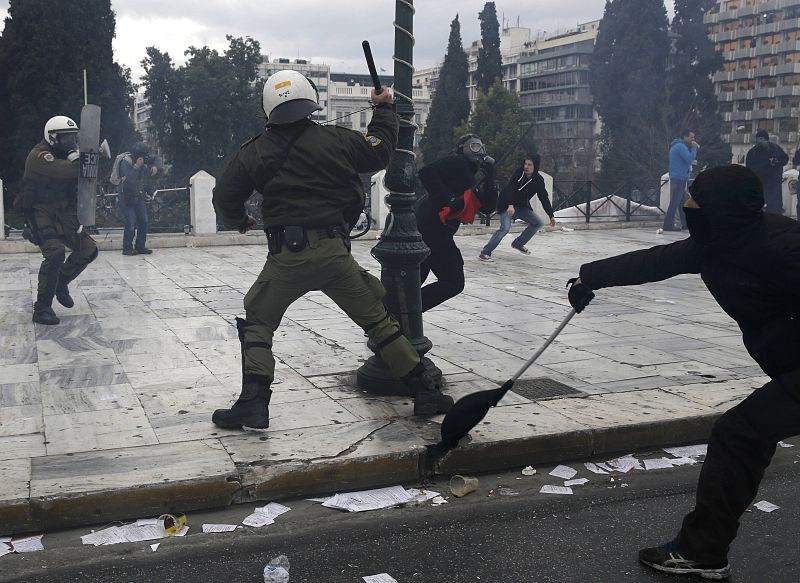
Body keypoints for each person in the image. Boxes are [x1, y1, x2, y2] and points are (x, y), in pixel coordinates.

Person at [566, 165, 800, 580]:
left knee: (740, 433)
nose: (688, 203)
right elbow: (655, 261)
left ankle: (702, 552)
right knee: (743, 434)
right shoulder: (713, 244)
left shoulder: (781, 245)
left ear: (719, 207)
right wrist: (589, 276)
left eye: (696, 197)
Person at [211, 70, 454, 430]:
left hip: (286, 259)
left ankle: (253, 403)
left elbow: (224, 198)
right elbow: (380, 151)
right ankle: (425, 391)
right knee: (377, 322)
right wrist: (383, 108)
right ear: (310, 99)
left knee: (258, 322)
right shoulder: (335, 139)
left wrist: (240, 220)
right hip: (333, 254)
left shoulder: (255, 152)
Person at [17, 116, 98, 325]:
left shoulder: (66, 155)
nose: (71, 142)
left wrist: (93, 158)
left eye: (74, 137)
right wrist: (76, 156)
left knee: (88, 249)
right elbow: (69, 170)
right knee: (55, 253)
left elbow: (89, 175)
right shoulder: (39, 156)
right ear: (53, 138)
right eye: (66, 138)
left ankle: (61, 282)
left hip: (63, 212)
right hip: (40, 211)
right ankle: (42, 308)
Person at [416, 134, 497, 311]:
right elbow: (426, 172)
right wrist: (447, 199)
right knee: (453, 281)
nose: (479, 150)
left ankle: (390, 316)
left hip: (431, 228)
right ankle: (405, 313)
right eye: (474, 146)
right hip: (432, 228)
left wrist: (491, 180)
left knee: (414, 278)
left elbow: (488, 207)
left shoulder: (471, 176)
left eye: (480, 146)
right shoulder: (457, 162)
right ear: (462, 148)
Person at [479, 154, 555, 261]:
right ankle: (485, 252)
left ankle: (518, 243)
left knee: (538, 222)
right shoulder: (519, 173)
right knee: (504, 228)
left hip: (520, 206)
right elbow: (511, 187)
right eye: (525, 164)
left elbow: (543, 197)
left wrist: (551, 215)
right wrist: (510, 205)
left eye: (529, 165)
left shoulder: (538, 180)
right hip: (506, 203)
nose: (526, 167)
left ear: (535, 166)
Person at [118, 141, 157, 255]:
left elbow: (150, 164)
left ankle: (140, 246)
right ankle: (127, 248)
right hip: (126, 195)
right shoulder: (126, 162)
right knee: (131, 221)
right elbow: (129, 180)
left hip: (137, 194)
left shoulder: (142, 160)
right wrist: (136, 167)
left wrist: (153, 167)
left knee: (143, 220)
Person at [663, 130, 699, 232]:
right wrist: (694, 148)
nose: (693, 139)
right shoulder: (681, 146)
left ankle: (685, 224)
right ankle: (668, 225)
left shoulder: (677, 146)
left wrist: (691, 160)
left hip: (678, 177)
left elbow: (684, 160)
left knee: (682, 202)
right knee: (675, 202)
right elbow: (688, 158)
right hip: (679, 178)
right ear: (685, 137)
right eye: (691, 137)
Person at [745, 129, 788, 215]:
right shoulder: (753, 152)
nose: (760, 141)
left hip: (774, 180)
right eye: (759, 139)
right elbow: (749, 167)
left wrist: (777, 163)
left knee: (775, 203)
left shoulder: (776, 148)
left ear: (767, 140)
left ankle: (775, 218)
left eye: (762, 139)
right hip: (760, 181)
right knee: (759, 202)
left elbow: (785, 159)